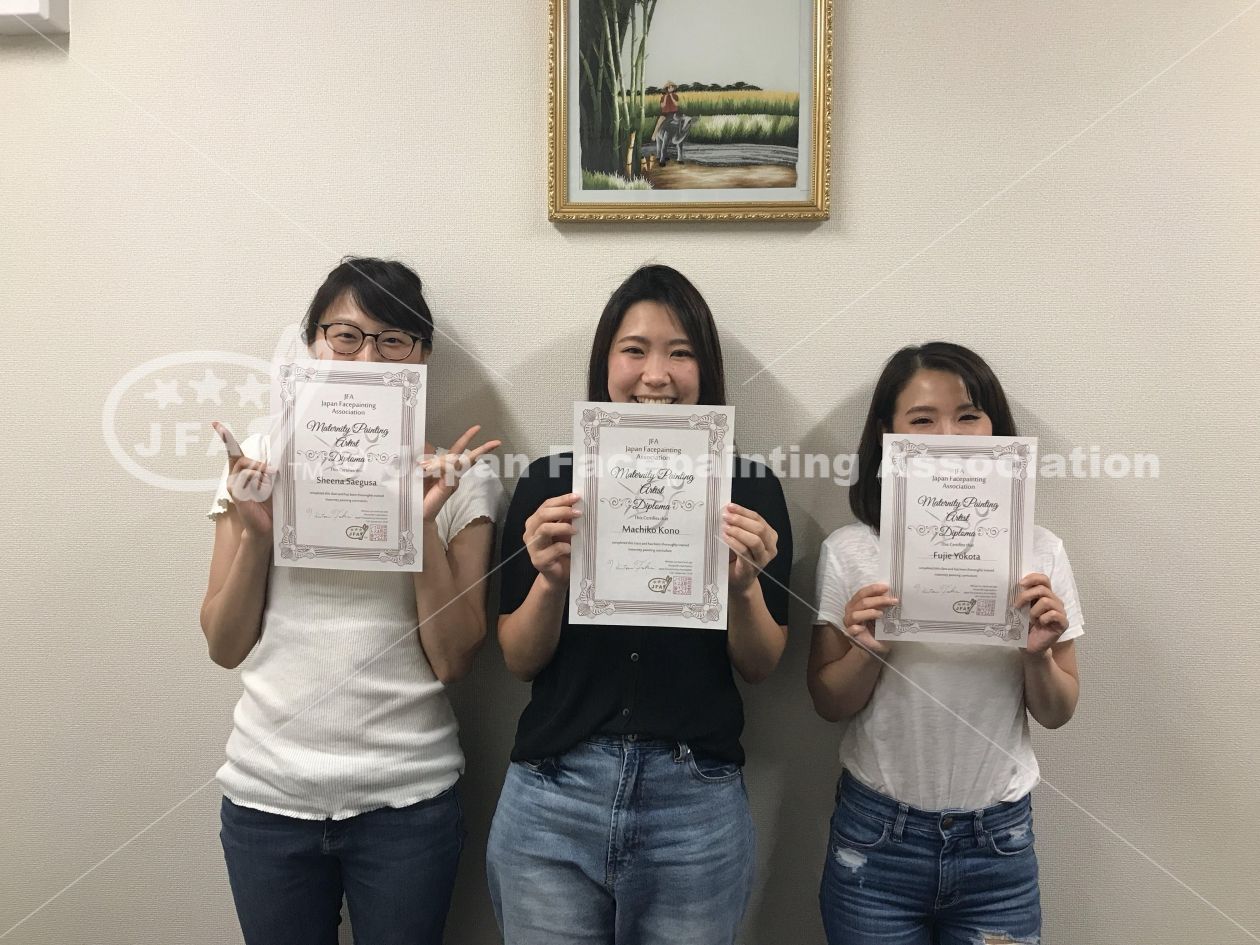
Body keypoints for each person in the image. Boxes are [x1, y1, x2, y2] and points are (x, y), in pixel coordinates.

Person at [486, 264, 793, 945]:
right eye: (634, 350)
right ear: (606, 364)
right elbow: (517, 658)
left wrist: (744, 587)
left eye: (680, 353)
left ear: (706, 370)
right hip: (555, 792)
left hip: (695, 803)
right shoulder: (550, 484)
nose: (656, 375)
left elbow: (763, 664)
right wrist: (550, 581)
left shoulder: (750, 488)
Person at [201, 257, 503, 945]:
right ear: (312, 344)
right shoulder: (258, 462)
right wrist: (256, 533)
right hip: (266, 796)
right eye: (345, 336)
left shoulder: (462, 478)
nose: (367, 358)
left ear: (422, 356)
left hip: (408, 799)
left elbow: (454, 659)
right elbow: (223, 644)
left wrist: (417, 524)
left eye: (393, 339)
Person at [807, 341, 1083, 945]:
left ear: (995, 429)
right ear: (887, 436)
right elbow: (828, 702)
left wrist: (1037, 653)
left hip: (999, 845)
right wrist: (869, 649)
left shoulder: (1041, 552)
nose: (950, 437)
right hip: (876, 839)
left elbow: (1058, 711)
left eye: (968, 415)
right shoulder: (851, 551)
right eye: (922, 419)